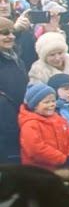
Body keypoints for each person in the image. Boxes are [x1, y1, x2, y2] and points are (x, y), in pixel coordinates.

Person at [19, 82, 69, 170]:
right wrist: (63, 159)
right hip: (39, 172)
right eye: (46, 102)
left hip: (63, 167)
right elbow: (35, 149)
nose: (52, 104)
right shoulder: (30, 124)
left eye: (53, 101)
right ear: (34, 106)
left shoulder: (59, 119)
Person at [27, 31, 69, 113]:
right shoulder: (38, 69)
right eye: (52, 55)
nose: (57, 58)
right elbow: (39, 100)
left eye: (60, 53)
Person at [0, 16, 29, 164]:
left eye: (12, 32)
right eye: (5, 33)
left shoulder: (17, 59)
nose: (11, 36)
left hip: (19, 123)